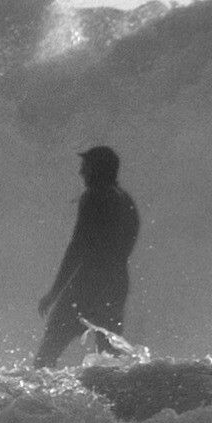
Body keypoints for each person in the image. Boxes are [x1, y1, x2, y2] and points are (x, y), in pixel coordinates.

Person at [34, 145, 141, 368]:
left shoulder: (94, 197)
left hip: (87, 284)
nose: (81, 172)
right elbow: (125, 245)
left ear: (97, 170)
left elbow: (77, 248)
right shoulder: (127, 202)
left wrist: (54, 292)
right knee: (109, 360)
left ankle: (39, 402)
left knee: (46, 354)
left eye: (86, 167)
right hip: (117, 283)